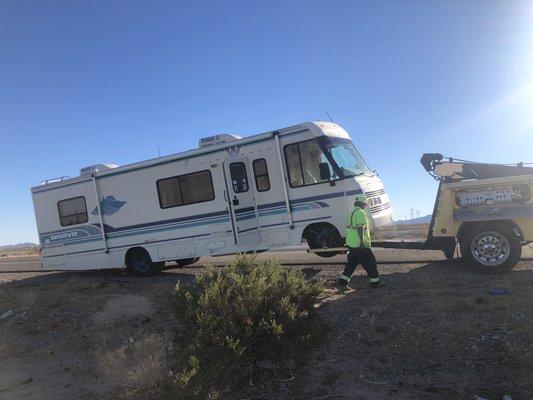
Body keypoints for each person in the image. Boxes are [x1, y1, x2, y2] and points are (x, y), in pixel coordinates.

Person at [338, 194, 380, 288]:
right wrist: (361, 242)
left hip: (352, 244)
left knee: (351, 264)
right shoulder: (360, 212)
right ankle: (375, 283)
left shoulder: (352, 212)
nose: (366, 206)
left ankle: (342, 282)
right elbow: (360, 227)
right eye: (365, 204)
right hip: (360, 244)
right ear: (362, 203)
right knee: (370, 263)